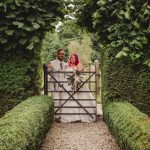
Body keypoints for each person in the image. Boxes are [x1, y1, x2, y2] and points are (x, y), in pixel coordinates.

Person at [60, 53, 96, 123]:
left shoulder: (78, 65)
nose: (73, 59)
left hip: (77, 83)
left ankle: (82, 115)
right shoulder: (67, 66)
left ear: (76, 59)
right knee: (69, 99)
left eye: (74, 58)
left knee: (80, 98)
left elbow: (82, 72)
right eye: (71, 57)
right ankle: (71, 117)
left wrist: (77, 73)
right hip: (68, 84)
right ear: (70, 59)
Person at [47, 48, 67, 122]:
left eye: (63, 54)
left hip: (64, 85)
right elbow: (48, 71)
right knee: (56, 100)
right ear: (57, 54)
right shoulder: (51, 63)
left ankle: (62, 116)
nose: (62, 55)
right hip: (55, 85)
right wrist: (48, 68)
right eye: (60, 54)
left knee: (63, 101)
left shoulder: (66, 64)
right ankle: (56, 116)